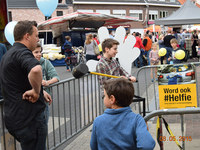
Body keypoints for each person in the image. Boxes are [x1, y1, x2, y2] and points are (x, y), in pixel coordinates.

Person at [0, 20, 52, 150]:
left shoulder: (8, 55)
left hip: (15, 119)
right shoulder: (23, 52)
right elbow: (35, 70)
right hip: (30, 120)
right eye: (36, 35)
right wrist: (35, 91)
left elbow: (18, 81)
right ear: (27, 36)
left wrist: (39, 90)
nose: (38, 39)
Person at [90, 78, 155, 150]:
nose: (104, 98)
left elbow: (93, 146)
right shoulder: (137, 119)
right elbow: (147, 145)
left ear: (112, 99)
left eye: (105, 95)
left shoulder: (98, 121)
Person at [32, 43, 60, 122]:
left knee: (43, 127)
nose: (39, 54)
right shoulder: (25, 64)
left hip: (43, 102)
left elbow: (56, 77)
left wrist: (47, 82)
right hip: (31, 103)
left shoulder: (45, 62)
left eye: (40, 52)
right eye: (36, 52)